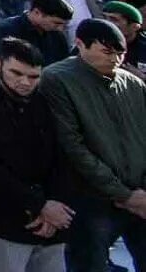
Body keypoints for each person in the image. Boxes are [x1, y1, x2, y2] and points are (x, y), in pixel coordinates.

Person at [0, 37, 77, 272]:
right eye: (17, 73)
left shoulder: (43, 99)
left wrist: (54, 205)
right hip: (5, 213)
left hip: (51, 215)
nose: (25, 82)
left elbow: (60, 155)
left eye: (33, 77)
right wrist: (40, 205)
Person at [39, 18, 146, 272]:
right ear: (80, 44)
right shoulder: (56, 79)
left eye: (120, 53)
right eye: (107, 51)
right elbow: (72, 145)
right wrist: (124, 195)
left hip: (140, 196)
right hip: (90, 198)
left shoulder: (133, 84)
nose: (116, 59)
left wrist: (140, 192)